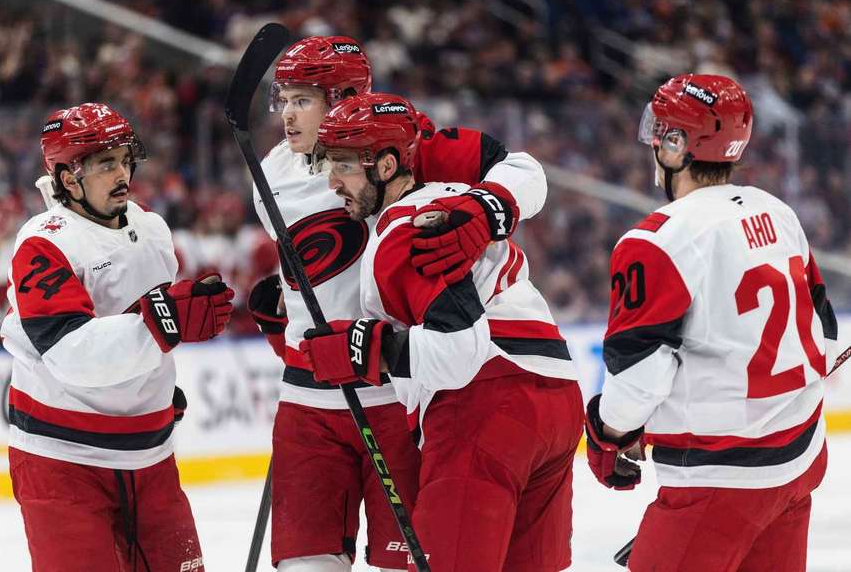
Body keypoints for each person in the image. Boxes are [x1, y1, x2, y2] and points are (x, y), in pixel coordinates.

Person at [247, 36, 549, 572]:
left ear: (342, 97)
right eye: (283, 101)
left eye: (302, 101)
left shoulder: (402, 139)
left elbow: (524, 171)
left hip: (394, 394)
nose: (287, 117)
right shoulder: (271, 171)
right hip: (306, 402)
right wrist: (287, 313)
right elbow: (313, 261)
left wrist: (487, 209)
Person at [299, 93, 583, 572]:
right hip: (556, 395)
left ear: (386, 166)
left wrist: (365, 350)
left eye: (345, 167)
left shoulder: (403, 232)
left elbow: (457, 353)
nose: (333, 183)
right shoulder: (454, 196)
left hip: (487, 408)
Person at [584, 74, 840, 572]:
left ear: (679, 145)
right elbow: (822, 333)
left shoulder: (656, 240)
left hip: (717, 481)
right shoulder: (778, 211)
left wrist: (608, 431)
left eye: (662, 131)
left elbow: (638, 378)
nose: (654, 142)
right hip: (801, 461)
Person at [1, 103, 235, 571]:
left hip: (150, 457)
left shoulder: (152, 230)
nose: (122, 172)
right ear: (69, 178)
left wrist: (155, 391)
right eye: (106, 163)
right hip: (63, 461)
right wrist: (166, 322)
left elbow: (146, 336)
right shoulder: (43, 244)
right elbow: (73, 353)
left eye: (125, 158)